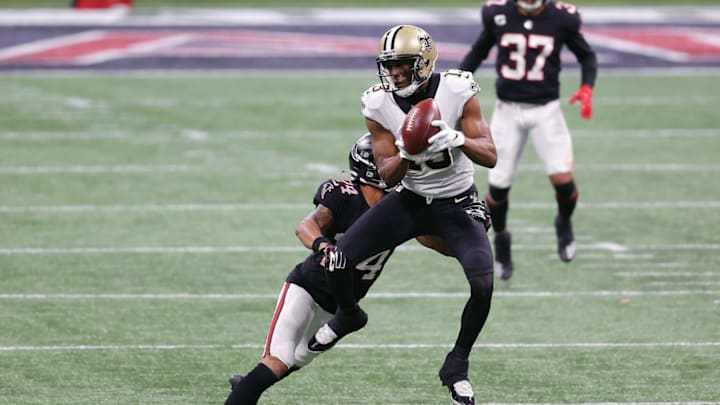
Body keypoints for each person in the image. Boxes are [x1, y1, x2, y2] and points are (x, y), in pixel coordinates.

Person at [224, 133, 491, 405]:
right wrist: (324, 248)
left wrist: (469, 228)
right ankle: (246, 390)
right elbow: (305, 226)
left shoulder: (402, 209)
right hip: (307, 287)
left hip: (342, 304)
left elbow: (438, 244)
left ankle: (247, 387)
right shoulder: (344, 194)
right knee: (278, 361)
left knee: (294, 361)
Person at [309, 25, 497, 405]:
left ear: (424, 62)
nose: (394, 74)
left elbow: (491, 154)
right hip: (409, 199)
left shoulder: (458, 90)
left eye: (402, 65)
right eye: (388, 66)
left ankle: (456, 365)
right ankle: (348, 314)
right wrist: (408, 154)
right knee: (338, 262)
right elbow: (385, 172)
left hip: (455, 203)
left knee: (483, 283)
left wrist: (458, 139)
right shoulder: (378, 104)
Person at [458, 0, 598, 280]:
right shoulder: (497, 14)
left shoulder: (562, 18)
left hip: (547, 110)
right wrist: (455, 87)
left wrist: (586, 88)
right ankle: (502, 240)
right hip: (506, 111)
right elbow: (478, 52)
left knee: (563, 179)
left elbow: (587, 56)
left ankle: (564, 222)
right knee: (497, 189)